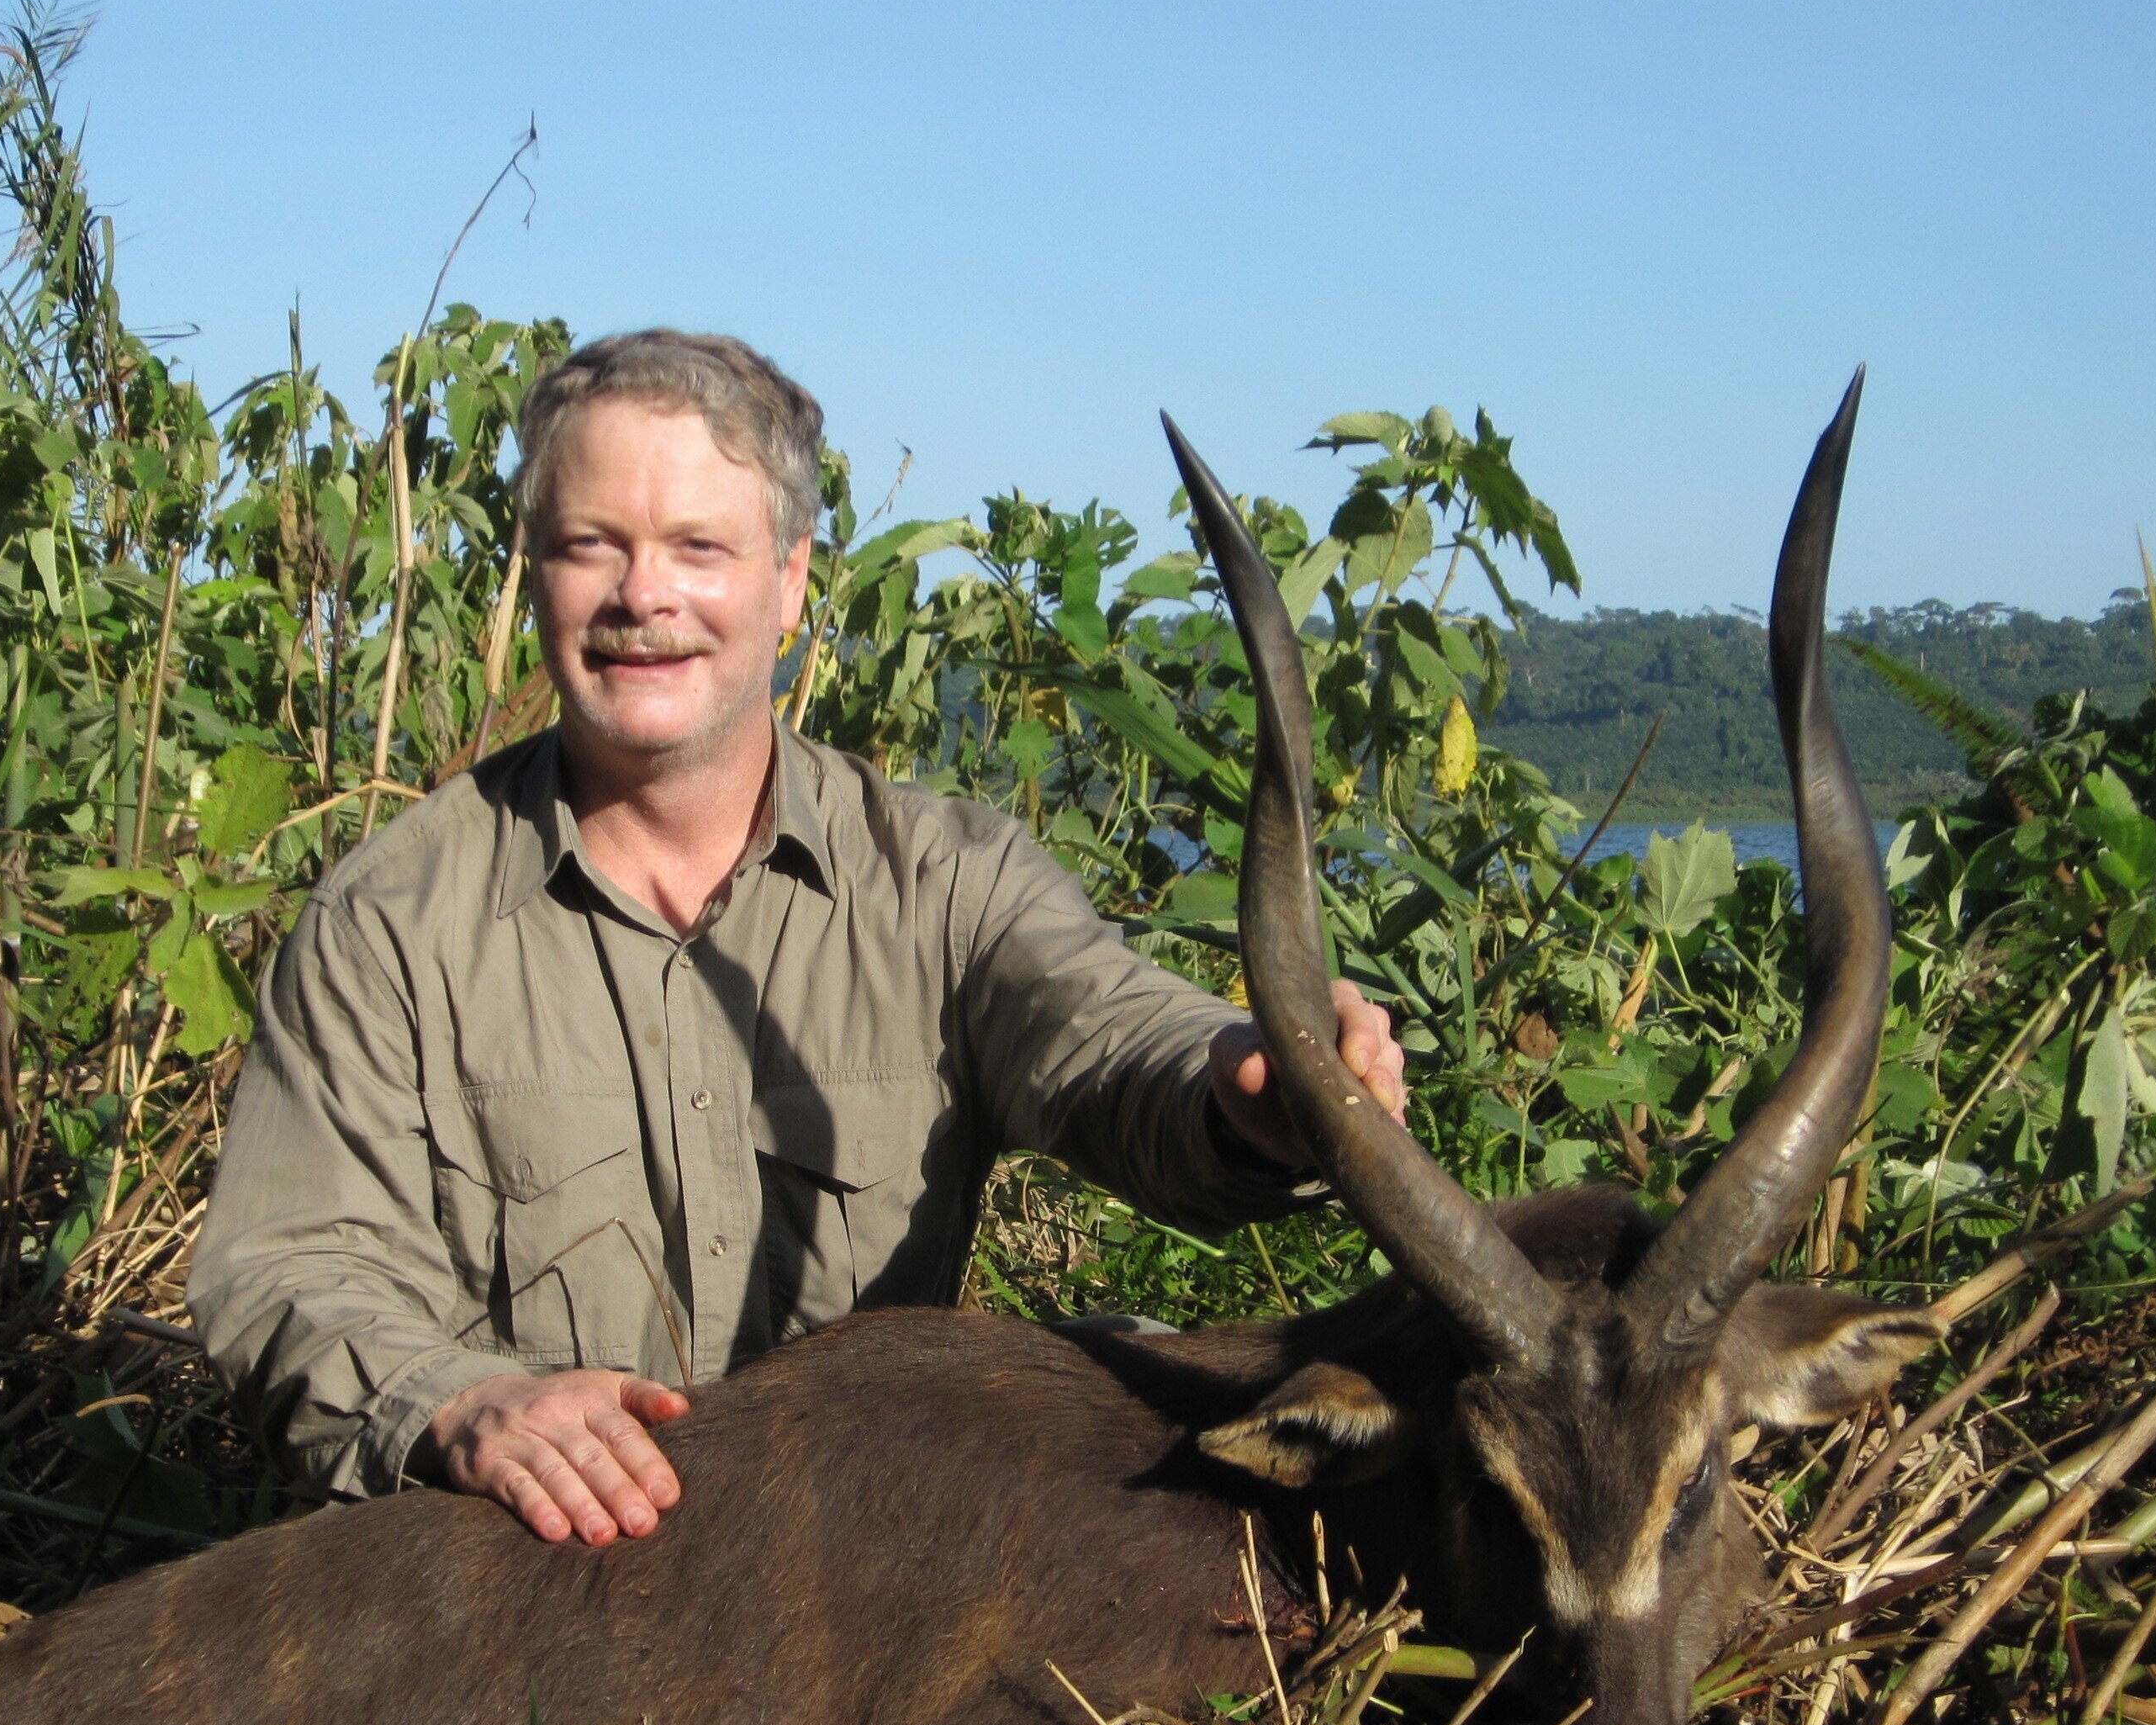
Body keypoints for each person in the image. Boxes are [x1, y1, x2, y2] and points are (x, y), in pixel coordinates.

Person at [187, 330, 1405, 1544]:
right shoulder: (390, 925)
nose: (641, 598)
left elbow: (1108, 1034)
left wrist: (1250, 1088)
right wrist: (461, 1404)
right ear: (535, 570)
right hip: (534, 1583)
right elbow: (292, 1269)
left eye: (698, 549)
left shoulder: (940, 880)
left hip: (858, 1557)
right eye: (589, 546)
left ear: (790, 581)